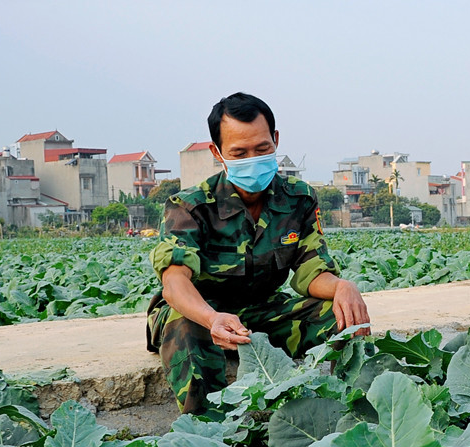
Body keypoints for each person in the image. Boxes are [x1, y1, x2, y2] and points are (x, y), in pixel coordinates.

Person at [146, 93, 370, 414]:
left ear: (275, 140)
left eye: (262, 149)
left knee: (343, 318)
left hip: (262, 313)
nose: (252, 158)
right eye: (239, 152)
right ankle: (208, 433)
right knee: (185, 327)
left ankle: (350, 412)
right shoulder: (190, 206)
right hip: (197, 313)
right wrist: (212, 318)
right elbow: (175, 282)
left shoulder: (299, 199)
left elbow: (311, 272)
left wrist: (342, 287)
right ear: (218, 152)